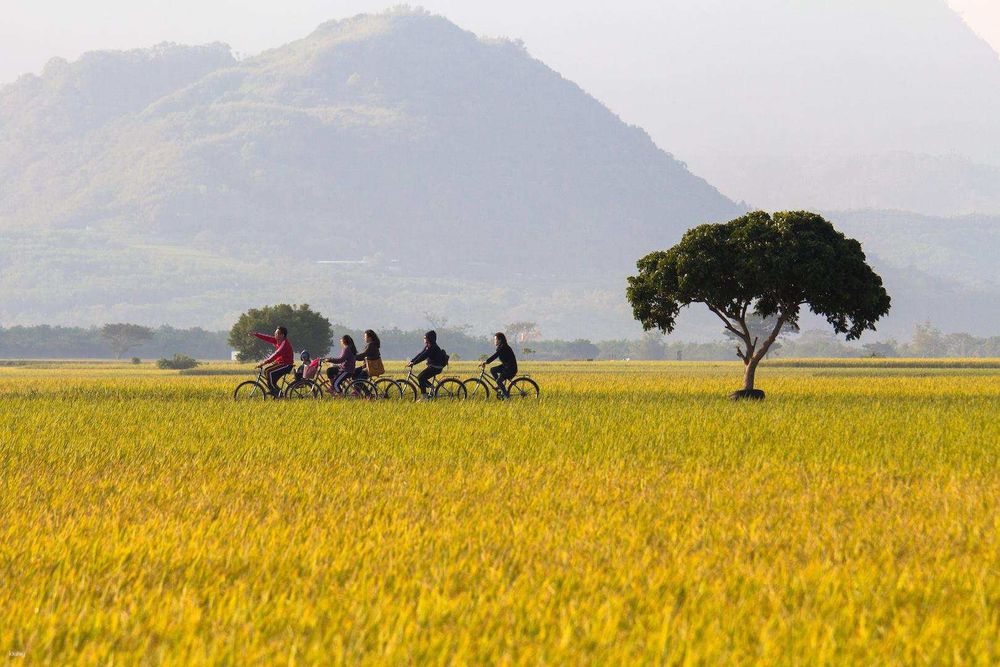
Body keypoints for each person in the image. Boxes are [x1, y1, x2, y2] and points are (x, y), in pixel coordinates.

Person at [250, 326, 294, 397]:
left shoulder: (284, 343)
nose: (275, 335)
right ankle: (279, 393)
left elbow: (276, 354)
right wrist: (256, 334)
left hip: (286, 365)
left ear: (282, 335)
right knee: (268, 374)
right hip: (281, 364)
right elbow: (267, 338)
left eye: (277, 334)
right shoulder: (277, 340)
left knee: (268, 371)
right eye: (275, 333)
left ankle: (273, 391)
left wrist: (264, 362)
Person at [407, 330, 448, 398]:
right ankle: (434, 390)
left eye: (425, 338)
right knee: (422, 378)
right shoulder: (428, 346)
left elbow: (423, 357)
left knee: (420, 377)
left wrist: (414, 363)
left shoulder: (432, 347)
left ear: (429, 338)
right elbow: (420, 354)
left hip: (436, 367)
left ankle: (424, 397)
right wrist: (412, 361)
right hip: (434, 366)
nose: (424, 339)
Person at [481, 332, 518, 398]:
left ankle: (506, 396)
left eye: (495, 340)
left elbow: (495, 356)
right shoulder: (501, 346)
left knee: (498, 381)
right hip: (506, 366)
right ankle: (500, 386)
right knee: (492, 370)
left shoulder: (503, 347)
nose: (494, 341)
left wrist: (486, 362)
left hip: (510, 369)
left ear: (500, 340)